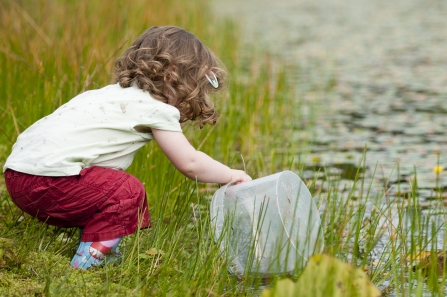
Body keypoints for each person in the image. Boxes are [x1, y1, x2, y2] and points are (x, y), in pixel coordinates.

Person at [2, 26, 252, 269]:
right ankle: (86, 263)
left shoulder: (107, 94)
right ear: (172, 73)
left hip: (17, 176)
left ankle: (100, 245)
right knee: (127, 191)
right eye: (195, 83)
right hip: (47, 183)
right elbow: (190, 163)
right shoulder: (157, 109)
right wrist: (230, 175)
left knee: (105, 181)